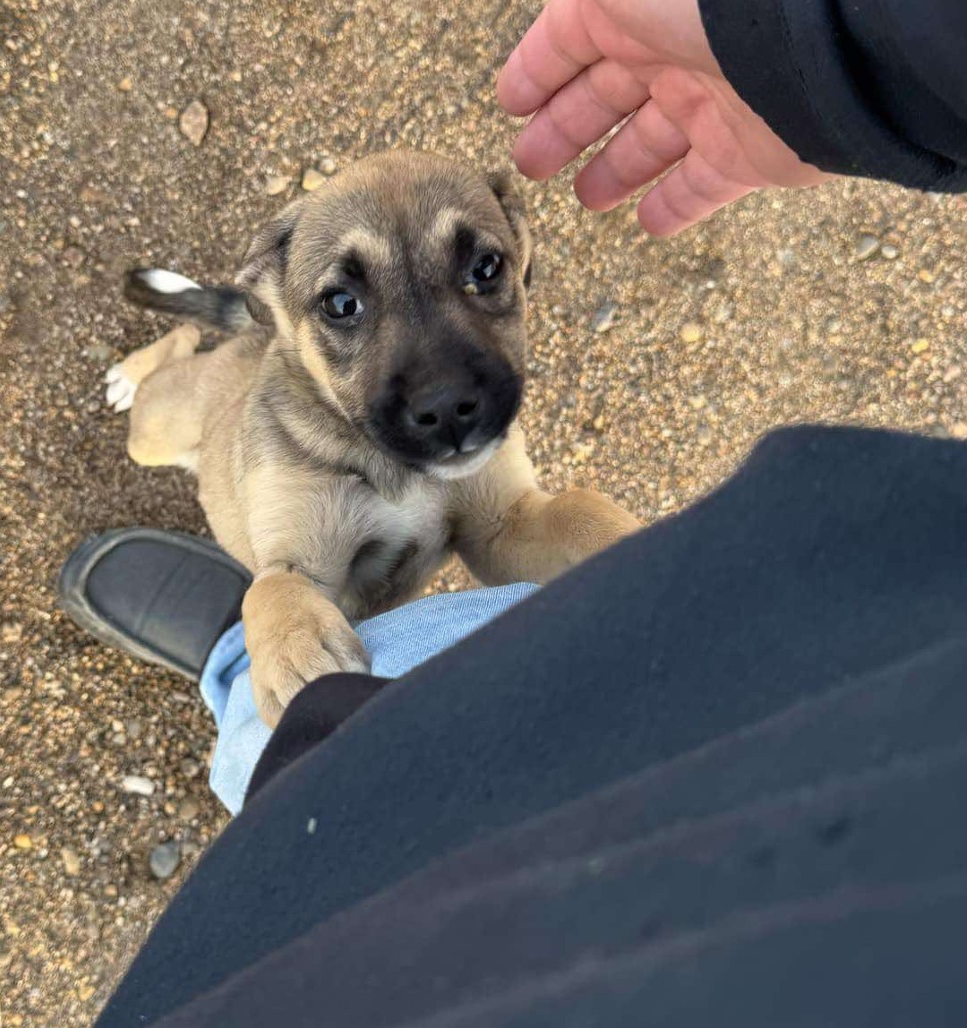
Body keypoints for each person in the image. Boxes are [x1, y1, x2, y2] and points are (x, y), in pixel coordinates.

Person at [74, 0, 967, 1024]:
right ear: (278, 304)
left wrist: (656, 572)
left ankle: (243, 681)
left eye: (480, 271)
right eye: (345, 305)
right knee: (176, 450)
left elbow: (511, 524)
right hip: (241, 438)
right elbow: (290, 571)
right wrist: (274, 604)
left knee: (344, 687)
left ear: (521, 255)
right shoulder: (282, 425)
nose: (447, 384)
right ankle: (185, 433)